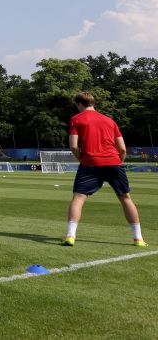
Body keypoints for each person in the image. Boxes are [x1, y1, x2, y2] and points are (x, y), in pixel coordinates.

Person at [62, 92, 147, 247]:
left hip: (90, 164)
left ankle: (70, 236)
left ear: (79, 104)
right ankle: (138, 239)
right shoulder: (110, 121)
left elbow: (74, 146)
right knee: (125, 198)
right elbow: (122, 148)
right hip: (114, 162)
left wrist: (83, 159)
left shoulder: (76, 119)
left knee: (78, 198)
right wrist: (117, 163)